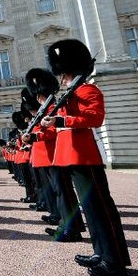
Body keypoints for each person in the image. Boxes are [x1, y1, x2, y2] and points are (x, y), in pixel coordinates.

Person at [42, 39, 130, 276]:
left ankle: (114, 261)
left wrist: (61, 120)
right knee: (90, 210)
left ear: (66, 69)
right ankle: (100, 252)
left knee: (99, 209)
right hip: (71, 157)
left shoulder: (87, 90)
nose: (60, 79)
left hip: (84, 157)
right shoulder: (70, 95)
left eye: (62, 72)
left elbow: (94, 119)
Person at [23, 68, 85, 241]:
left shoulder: (53, 107)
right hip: (48, 156)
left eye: (38, 94)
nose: (37, 98)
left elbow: (54, 131)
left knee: (63, 192)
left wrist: (34, 136)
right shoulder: (46, 109)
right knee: (60, 192)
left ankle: (71, 228)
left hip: (55, 155)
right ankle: (69, 225)